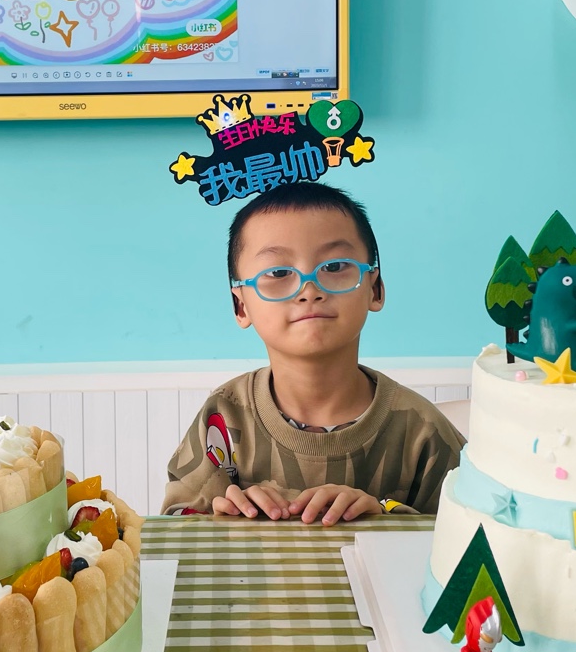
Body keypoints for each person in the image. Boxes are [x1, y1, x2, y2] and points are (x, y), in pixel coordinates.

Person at [161, 182, 462, 523]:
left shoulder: (423, 431)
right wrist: (224, 516)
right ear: (240, 305)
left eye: (334, 267)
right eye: (278, 272)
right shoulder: (223, 416)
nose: (309, 289)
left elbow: (471, 532)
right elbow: (175, 525)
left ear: (375, 288)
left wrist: (382, 517)